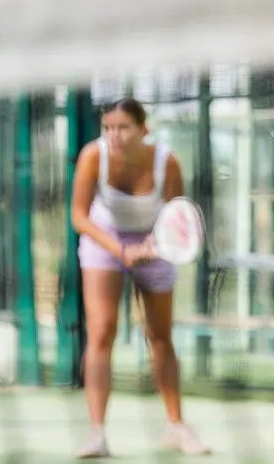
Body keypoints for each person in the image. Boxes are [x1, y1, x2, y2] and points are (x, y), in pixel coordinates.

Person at [70, 98, 210, 458]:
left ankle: (177, 426)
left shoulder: (168, 162)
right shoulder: (92, 157)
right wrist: (120, 250)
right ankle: (97, 434)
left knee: (160, 336)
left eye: (123, 127)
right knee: (101, 331)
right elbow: (79, 218)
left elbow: (177, 216)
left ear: (143, 130)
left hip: (153, 244)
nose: (114, 135)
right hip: (104, 241)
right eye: (108, 128)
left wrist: (151, 246)